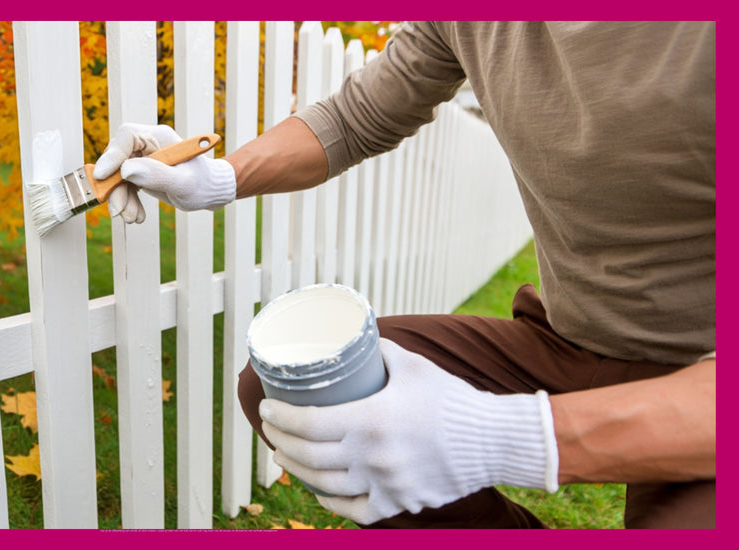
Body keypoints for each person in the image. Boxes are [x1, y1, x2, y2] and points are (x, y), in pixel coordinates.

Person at [91, 21, 715, 528]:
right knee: (290, 392)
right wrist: (222, 177)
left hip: (708, 369)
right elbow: (355, 117)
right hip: (570, 337)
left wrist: (498, 436)